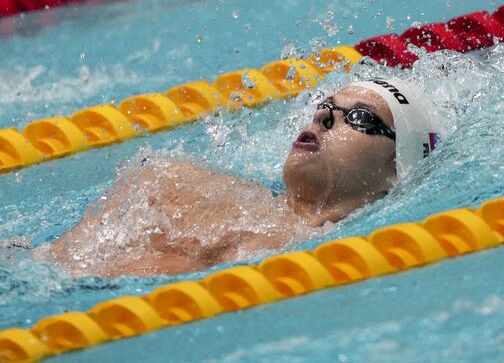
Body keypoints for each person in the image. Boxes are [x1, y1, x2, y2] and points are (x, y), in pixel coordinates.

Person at [40, 78, 443, 278]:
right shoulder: (188, 181)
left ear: (396, 171)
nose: (324, 117)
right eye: (325, 106)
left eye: (359, 118)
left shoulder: (306, 263)